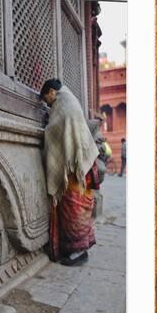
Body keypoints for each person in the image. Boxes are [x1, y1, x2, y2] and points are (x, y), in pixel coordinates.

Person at [40, 78, 100, 266]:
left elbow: (54, 131)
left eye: (45, 99)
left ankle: (77, 252)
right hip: (83, 164)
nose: (47, 105)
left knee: (73, 209)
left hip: (75, 169)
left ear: (51, 92)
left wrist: (46, 129)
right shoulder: (70, 99)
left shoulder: (62, 103)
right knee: (81, 208)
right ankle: (81, 249)